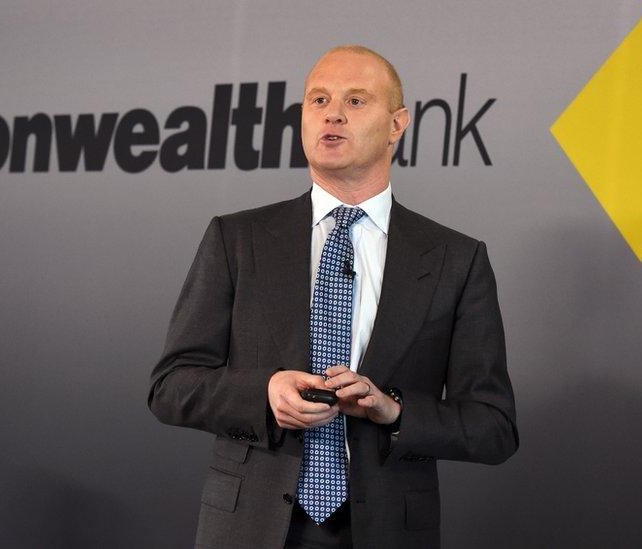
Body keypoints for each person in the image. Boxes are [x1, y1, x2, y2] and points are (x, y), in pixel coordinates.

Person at [148, 44, 518, 549]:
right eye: (318, 100)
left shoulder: (457, 259)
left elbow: (492, 426)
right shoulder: (237, 240)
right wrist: (265, 393)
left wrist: (393, 410)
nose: (333, 114)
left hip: (386, 528)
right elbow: (171, 386)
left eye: (357, 101)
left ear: (397, 124)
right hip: (250, 526)